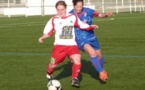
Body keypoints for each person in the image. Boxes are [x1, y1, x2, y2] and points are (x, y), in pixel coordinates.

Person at [38, 1, 99, 87]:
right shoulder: (54, 19)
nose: (60, 11)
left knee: (77, 59)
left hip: (72, 45)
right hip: (59, 47)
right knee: (53, 65)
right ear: (56, 10)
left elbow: (81, 25)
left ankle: (74, 79)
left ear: (66, 8)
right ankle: (49, 73)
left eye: (62, 9)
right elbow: (47, 32)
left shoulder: (72, 17)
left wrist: (90, 26)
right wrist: (42, 38)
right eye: (58, 10)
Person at [70, 0, 113, 81]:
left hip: (91, 37)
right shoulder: (70, 15)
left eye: (81, 6)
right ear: (73, 5)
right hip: (80, 39)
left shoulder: (88, 11)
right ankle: (101, 72)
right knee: (92, 52)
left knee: (99, 56)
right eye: (77, 6)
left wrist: (106, 14)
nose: (79, 8)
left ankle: (99, 68)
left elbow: (100, 15)